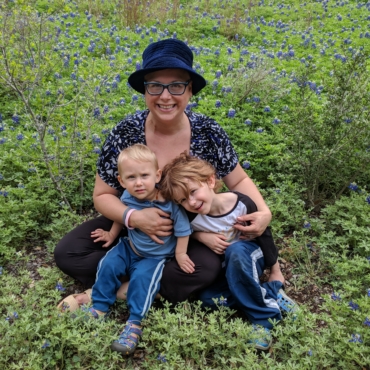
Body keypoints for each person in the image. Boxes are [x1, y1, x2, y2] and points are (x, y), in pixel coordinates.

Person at [55, 38, 284, 315]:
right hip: (133, 216)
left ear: (189, 91)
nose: (165, 96)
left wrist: (265, 213)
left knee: (205, 268)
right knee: (68, 252)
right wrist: (134, 218)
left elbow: (238, 181)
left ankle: (115, 289)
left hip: (190, 227)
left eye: (176, 85)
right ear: (145, 90)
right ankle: (146, 277)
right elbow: (103, 195)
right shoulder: (125, 132)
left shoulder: (207, 131)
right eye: (155, 86)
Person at [159, 153, 298, 350]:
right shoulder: (190, 216)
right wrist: (201, 237)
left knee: (236, 250)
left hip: (249, 255)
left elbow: (264, 234)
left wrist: (275, 270)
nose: (190, 202)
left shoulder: (241, 204)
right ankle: (270, 294)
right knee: (208, 300)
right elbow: (182, 236)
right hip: (228, 270)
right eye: (182, 200)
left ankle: (263, 319)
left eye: (193, 191)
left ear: (210, 180)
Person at [87, 144, 192, 355]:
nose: (139, 183)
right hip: (130, 247)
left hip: (155, 256)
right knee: (108, 264)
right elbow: (122, 217)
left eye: (144, 175)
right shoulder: (127, 196)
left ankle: (134, 324)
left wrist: (180, 254)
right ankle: (98, 307)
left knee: (142, 281)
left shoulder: (170, 203)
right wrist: (112, 234)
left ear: (157, 175)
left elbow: (183, 230)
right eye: (131, 177)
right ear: (121, 181)